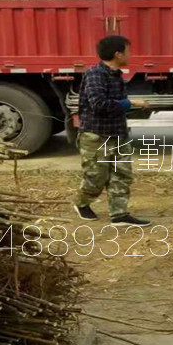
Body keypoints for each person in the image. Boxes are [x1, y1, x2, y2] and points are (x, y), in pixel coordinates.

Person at [73, 35, 151, 225]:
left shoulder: (116, 75)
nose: (130, 55)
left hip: (118, 133)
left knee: (122, 174)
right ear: (118, 54)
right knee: (96, 177)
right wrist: (130, 102)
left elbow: (113, 105)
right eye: (128, 51)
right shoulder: (95, 75)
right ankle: (82, 203)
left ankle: (119, 214)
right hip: (97, 135)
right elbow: (99, 104)